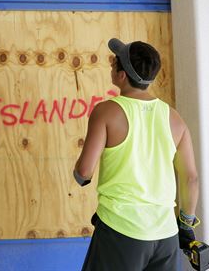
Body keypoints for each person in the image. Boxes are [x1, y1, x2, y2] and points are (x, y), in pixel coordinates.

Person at [74, 38, 200, 271]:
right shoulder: (174, 118)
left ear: (122, 75)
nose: (111, 64)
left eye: (115, 62)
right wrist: (186, 225)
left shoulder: (107, 111)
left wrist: (80, 177)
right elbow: (191, 179)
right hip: (166, 236)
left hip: (121, 230)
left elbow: (84, 171)